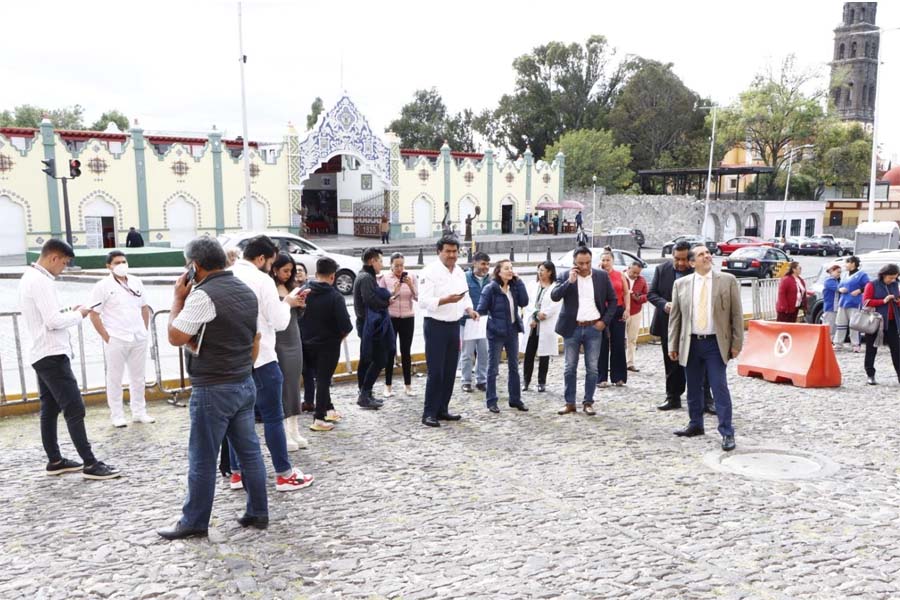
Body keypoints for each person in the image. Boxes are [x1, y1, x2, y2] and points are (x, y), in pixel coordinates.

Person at [158, 236, 266, 539]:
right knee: (250, 453)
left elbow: (176, 336)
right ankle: (258, 510)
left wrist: (177, 299)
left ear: (194, 266)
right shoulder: (245, 290)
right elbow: (254, 339)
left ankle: (194, 521)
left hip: (213, 388)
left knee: (202, 457)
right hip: (244, 382)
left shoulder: (202, 296)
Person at [18, 239, 120, 480]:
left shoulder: (29, 277)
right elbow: (52, 322)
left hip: (41, 351)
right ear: (53, 258)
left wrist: (68, 312)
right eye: (64, 263)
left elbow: (47, 317)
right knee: (74, 408)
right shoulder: (40, 281)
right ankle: (90, 463)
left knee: (50, 408)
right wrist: (79, 314)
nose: (63, 268)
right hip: (51, 353)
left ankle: (55, 460)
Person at [229, 235, 313, 491]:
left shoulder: (226, 274)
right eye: (271, 262)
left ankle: (237, 473)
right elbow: (278, 322)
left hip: (234, 358)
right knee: (273, 416)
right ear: (262, 258)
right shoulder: (261, 280)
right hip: (263, 356)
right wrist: (287, 303)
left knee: (237, 419)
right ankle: (284, 473)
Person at [668, 245, 743, 452]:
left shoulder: (726, 281)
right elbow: (675, 318)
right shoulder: (680, 284)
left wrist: (737, 343)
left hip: (714, 343)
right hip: (690, 343)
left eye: (708, 253)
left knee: (719, 386)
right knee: (693, 386)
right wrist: (672, 344)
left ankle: (727, 431)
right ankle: (695, 424)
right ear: (692, 262)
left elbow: (736, 314)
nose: (707, 256)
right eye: (701, 254)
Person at [418, 235, 479, 427]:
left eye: (455, 251)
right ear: (439, 252)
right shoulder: (429, 272)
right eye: (448, 251)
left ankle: (442, 408)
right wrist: (445, 300)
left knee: (451, 370)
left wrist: (469, 309)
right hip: (436, 324)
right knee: (436, 372)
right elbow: (423, 302)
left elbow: (464, 295)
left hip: (454, 324)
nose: (452, 255)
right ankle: (429, 412)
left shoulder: (460, 271)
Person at [89, 250, 154, 427]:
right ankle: (117, 415)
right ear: (108, 266)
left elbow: (144, 307)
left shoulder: (136, 281)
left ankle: (139, 412)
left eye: (123, 261)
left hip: (138, 336)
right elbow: (94, 314)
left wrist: (144, 330)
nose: (121, 265)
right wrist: (106, 336)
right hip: (116, 337)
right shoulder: (102, 286)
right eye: (117, 262)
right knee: (114, 378)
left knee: (138, 377)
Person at [551, 247, 617, 416]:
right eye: (581, 263)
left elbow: (613, 300)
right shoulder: (566, 276)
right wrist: (569, 282)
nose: (585, 266)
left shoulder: (601, 276)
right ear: (574, 262)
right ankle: (569, 402)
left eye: (587, 262)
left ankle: (588, 402)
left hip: (594, 327)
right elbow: (555, 296)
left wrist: (603, 322)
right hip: (572, 328)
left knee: (592, 368)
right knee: (569, 367)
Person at [300, 258, 354, 431]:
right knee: (323, 380)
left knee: (318, 379)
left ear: (316, 274)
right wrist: (339, 337)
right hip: (328, 345)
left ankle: (329, 408)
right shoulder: (335, 297)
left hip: (306, 343)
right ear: (332, 276)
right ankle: (319, 417)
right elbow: (346, 325)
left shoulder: (304, 291)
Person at [476, 259, 529, 413]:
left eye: (511, 268)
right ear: (498, 272)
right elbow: (481, 312)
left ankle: (515, 399)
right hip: (496, 333)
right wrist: (493, 327)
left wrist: (519, 282)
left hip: (512, 331)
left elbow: (524, 302)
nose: (510, 271)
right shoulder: (490, 289)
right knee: (493, 368)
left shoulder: (514, 287)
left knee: (514, 367)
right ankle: (492, 401)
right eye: (506, 268)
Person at [648, 240, 693, 411]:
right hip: (668, 324)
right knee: (671, 362)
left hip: (692, 325)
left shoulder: (697, 271)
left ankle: (704, 398)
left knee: (694, 362)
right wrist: (664, 304)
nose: (681, 263)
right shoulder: (662, 270)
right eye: (677, 259)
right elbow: (651, 294)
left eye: (684, 259)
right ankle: (672, 397)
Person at [270, 253, 308, 448]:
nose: (288, 274)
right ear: (274, 269)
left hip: (294, 337)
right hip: (279, 340)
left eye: (291, 271)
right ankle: (284, 433)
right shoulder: (269, 287)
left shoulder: (291, 287)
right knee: (283, 387)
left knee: (294, 385)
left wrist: (300, 304)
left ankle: (294, 429)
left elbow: (296, 314)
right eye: (285, 270)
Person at [353, 248, 397, 408]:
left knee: (368, 359)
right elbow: (370, 300)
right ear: (372, 261)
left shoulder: (366, 276)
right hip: (369, 326)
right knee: (379, 359)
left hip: (369, 325)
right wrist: (387, 302)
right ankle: (364, 393)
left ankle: (365, 393)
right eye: (380, 261)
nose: (382, 264)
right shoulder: (365, 278)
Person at [380, 252, 418, 397]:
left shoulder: (411, 277)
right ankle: (388, 385)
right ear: (390, 265)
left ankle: (408, 385)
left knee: (406, 351)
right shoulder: (385, 278)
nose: (399, 269)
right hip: (391, 317)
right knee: (390, 351)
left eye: (402, 265)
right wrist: (393, 292)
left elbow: (417, 297)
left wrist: (410, 285)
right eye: (396, 266)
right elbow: (383, 300)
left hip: (408, 317)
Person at [523, 261, 561, 392]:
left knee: (544, 354)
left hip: (546, 323)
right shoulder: (532, 286)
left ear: (550, 272)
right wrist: (535, 314)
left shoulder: (555, 287)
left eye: (543, 270)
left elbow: (556, 305)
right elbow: (527, 302)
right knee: (529, 354)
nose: (540, 273)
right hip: (532, 325)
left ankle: (541, 382)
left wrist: (544, 314)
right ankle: (526, 380)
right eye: (539, 270)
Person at [861, 263, 900, 386]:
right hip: (875, 321)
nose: (892, 280)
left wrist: (897, 301)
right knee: (871, 349)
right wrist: (883, 301)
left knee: (897, 350)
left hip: (892, 322)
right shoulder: (872, 285)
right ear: (883, 275)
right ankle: (870, 374)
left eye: (895, 277)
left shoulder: (895, 285)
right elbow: (866, 302)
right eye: (890, 277)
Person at [597, 248, 630, 387]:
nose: (605, 263)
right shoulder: (598, 275)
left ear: (613, 261)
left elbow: (626, 292)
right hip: (603, 311)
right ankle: (601, 377)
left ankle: (619, 377)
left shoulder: (620, 275)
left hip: (617, 310)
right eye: (603, 260)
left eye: (608, 260)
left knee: (618, 344)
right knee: (602, 344)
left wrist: (628, 309)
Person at [460, 252, 491, 393]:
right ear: (475, 263)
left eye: (488, 264)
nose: (486, 267)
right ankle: (466, 381)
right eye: (483, 263)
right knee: (467, 352)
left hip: (484, 321)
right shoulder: (465, 278)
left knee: (484, 352)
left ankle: (481, 380)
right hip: (468, 321)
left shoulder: (489, 280)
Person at [834, 255, 869, 352]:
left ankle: (855, 344)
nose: (845, 265)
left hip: (854, 302)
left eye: (847, 262)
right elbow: (840, 285)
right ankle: (838, 343)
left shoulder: (862, 275)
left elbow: (868, 286)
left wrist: (859, 291)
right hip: (843, 302)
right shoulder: (845, 275)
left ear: (853, 263)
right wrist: (840, 289)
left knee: (854, 324)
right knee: (840, 323)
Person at [624, 261, 648, 373]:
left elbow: (647, 295)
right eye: (634, 272)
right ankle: (615, 363)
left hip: (635, 312)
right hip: (621, 312)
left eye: (638, 273)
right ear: (628, 268)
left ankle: (630, 362)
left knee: (632, 339)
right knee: (616, 340)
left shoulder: (642, 280)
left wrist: (639, 298)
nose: (635, 275)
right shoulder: (620, 277)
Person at [822, 264, 842, 340]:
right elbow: (839, 289)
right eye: (838, 272)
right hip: (830, 306)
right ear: (832, 271)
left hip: (835, 306)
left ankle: (830, 341)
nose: (839, 274)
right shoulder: (829, 281)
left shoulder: (836, 281)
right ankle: (827, 341)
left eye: (840, 272)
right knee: (829, 325)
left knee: (834, 326)